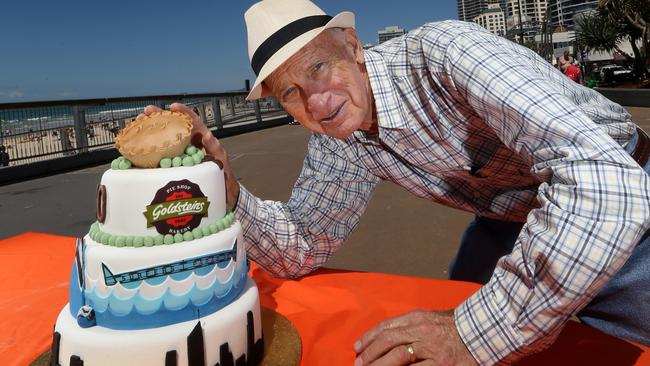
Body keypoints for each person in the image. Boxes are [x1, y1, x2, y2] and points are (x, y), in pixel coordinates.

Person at [143, 0, 650, 364]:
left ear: (353, 46)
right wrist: (225, 187)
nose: (317, 104)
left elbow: (602, 180)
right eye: (291, 93)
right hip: (508, 216)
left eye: (319, 67)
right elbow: (299, 245)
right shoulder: (339, 136)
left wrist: (472, 336)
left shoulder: (449, 53)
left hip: (628, 187)